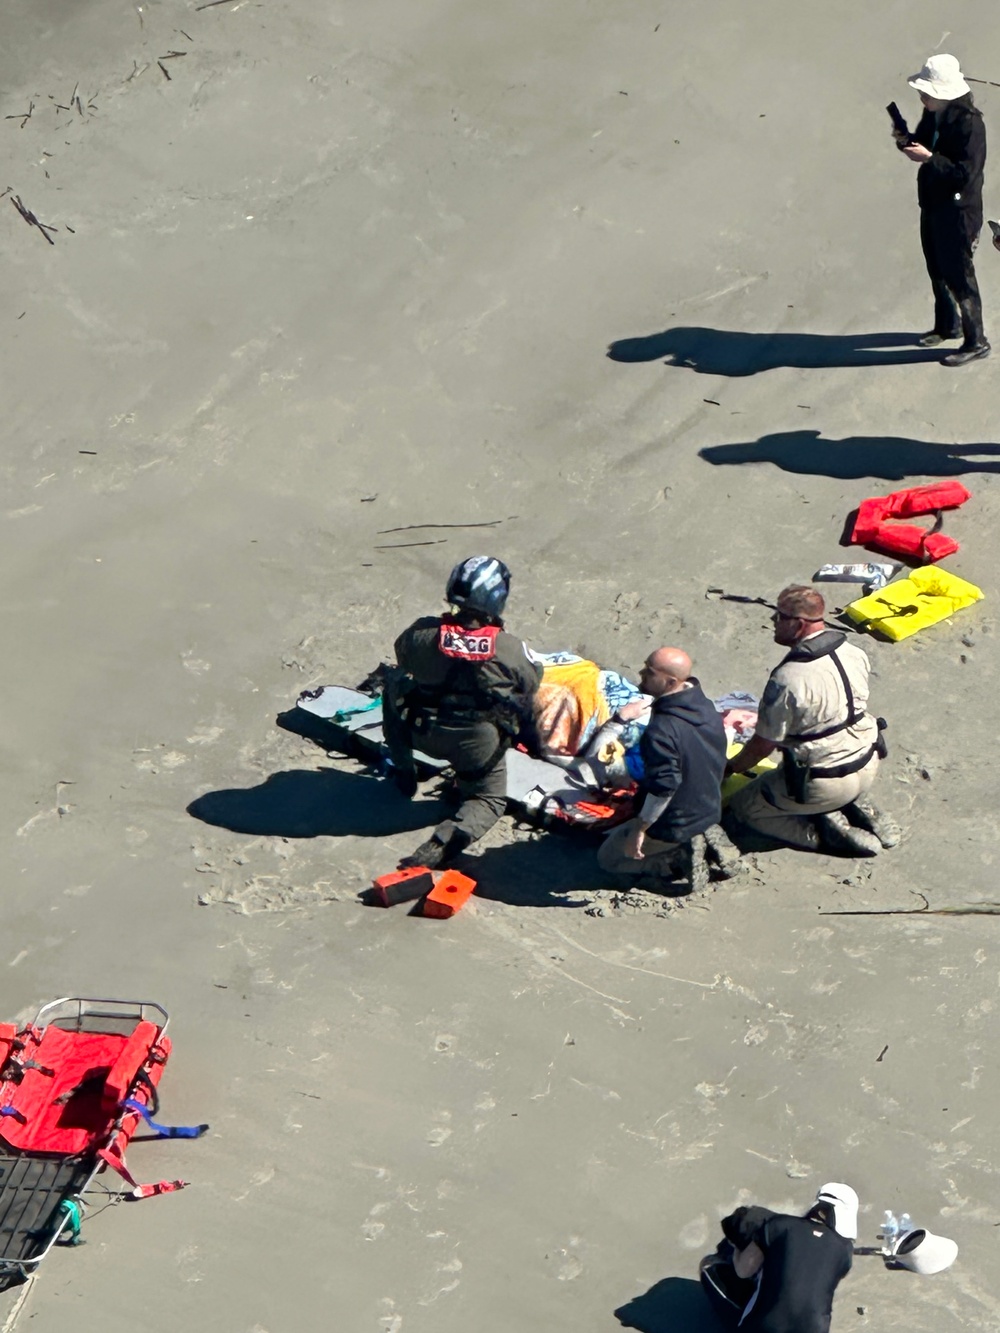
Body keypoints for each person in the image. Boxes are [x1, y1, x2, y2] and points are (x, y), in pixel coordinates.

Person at [384, 556, 541, 869]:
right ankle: (441, 844)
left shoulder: (420, 634)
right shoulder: (507, 648)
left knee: (393, 686)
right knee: (489, 798)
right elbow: (532, 681)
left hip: (421, 730)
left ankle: (403, 770)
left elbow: (402, 656)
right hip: (476, 745)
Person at [725, 586, 897, 856]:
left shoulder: (788, 678)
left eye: (779, 617)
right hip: (867, 758)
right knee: (835, 766)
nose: (773, 622)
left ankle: (823, 835)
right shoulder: (854, 653)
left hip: (823, 779)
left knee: (745, 808)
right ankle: (856, 804)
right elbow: (826, 710)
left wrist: (730, 768)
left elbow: (762, 746)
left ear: (799, 624)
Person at [596, 647, 728, 888]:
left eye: (649, 671)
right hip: (709, 806)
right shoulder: (705, 707)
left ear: (670, 682)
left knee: (608, 858)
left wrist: (641, 827)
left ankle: (675, 859)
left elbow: (664, 787)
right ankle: (701, 834)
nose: (641, 673)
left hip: (676, 820)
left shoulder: (662, 731)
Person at [895, 54, 988, 366]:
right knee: (936, 267)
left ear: (945, 94)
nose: (922, 97)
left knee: (959, 274)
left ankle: (977, 341)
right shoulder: (933, 113)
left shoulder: (971, 125)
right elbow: (924, 143)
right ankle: (947, 325)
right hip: (933, 203)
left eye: (927, 93)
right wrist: (906, 141)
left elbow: (966, 174)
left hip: (959, 212)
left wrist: (929, 159)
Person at [699, 1182, 857, 1333]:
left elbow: (743, 1271)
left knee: (708, 1267)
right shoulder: (844, 1252)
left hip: (765, 1328)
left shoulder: (778, 1226)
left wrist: (736, 1248)